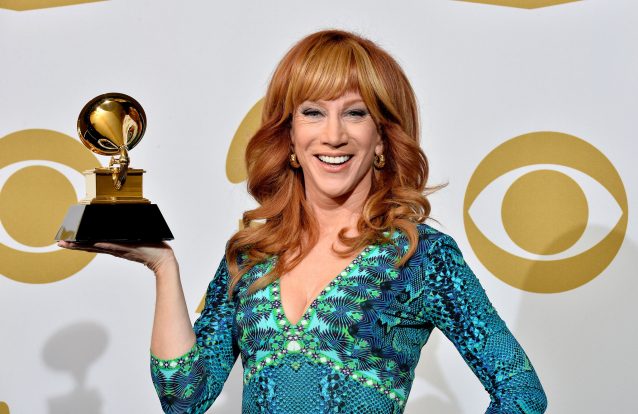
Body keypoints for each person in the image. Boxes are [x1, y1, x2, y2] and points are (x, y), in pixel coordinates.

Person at [59, 30, 547, 413]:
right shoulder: (251, 254)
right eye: (313, 112)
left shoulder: (422, 257)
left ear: (381, 139)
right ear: (290, 136)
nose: (333, 135)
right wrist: (163, 267)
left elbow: (521, 394)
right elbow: (184, 398)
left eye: (355, 113)